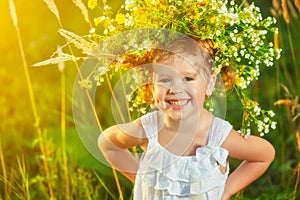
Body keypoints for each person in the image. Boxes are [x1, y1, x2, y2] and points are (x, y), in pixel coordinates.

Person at [98, 37, 275, 200]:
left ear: (210, 84)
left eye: (188, 78)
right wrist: (141, 177)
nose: (175, 88)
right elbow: (107, 143)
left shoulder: (216, 137)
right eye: (165, 79)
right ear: (151, 86)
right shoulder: (148, 130)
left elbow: (264, 155)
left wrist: (227, 190)